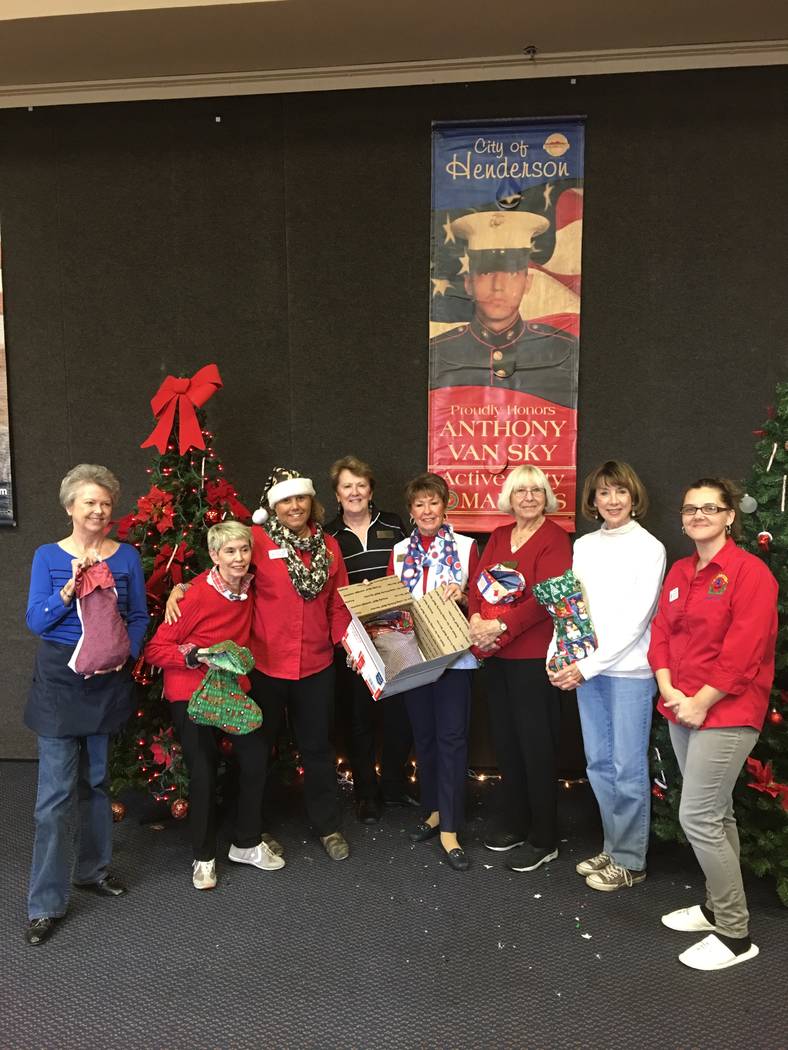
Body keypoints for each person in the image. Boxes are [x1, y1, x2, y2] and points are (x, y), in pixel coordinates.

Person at [168, 467, 351, 861]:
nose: (295, 506)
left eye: (300, 498)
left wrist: (345, 643)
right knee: (257, 753)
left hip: (317, 665)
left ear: (311, 502)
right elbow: (221, 571)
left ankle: (327, 826)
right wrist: (180, 589)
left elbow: (339, 604)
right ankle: (255, 827)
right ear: (273, 507)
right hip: (264, 667)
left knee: (318, 749)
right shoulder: (256, 540)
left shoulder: (330, 547)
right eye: (286, 500)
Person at [649, 478, 777, 971]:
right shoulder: (682, 571)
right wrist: (669, 690)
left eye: (709, 507)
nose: (698, 515)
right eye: (690, 509)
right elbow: (661, 633)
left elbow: (745, 651)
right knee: (717, 815)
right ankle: (714, 908)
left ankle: (735, 935)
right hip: (681, 705)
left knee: (698, 817)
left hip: (726, 710)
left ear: (729, 516)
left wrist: (701, 701)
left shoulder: (750, 573)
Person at [24, 464, 148, 946]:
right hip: (60, 681)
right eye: (89, 502)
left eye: (106, 503)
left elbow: (137, 615)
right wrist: (67, 591)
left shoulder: (127, 557)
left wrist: (123, 653)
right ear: (69, 507)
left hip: (106, 681)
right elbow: (36, 621)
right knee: (53, 798)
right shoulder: (47, 557)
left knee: (96, 784)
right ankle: (45, 904)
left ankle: (92, 872)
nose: (99, 510)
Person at [146, 522, 284, 890]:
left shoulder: (250, 587)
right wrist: (195, 655)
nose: (239, 558)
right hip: (191, 692)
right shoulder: (194, 596)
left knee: (256, 755)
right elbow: (155, 649)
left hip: (231, 690)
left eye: (244, 550)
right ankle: (203, 856)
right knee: (203, 769)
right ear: (214, 556)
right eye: (230, 551)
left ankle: (246, 843)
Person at [549, 461, 666, 891]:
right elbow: (571, 608)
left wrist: (586, 666)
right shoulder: (585, 546)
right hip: (587, 671)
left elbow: (636, 621)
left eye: (620, 491)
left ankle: (631, 861)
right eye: (603, 492)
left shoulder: (649, 547)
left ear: (633, 497)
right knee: (598, 764)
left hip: (629, 672)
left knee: (627, 767)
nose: (612, 500)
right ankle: (614, 847)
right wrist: (557, 656)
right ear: (593, 500)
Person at [467, 465, 571, 873]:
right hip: (496, 657)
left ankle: (544, 838)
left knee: (537, 748)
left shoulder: (555, 538)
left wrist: (500, 628)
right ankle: (516, 823)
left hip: (533, 658)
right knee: (507, 745)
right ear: (509, 498)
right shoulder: (498, 536)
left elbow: (546, 598)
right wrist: (477, 622)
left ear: (547, 496)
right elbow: (478, 587)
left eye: (536, 490)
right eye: (520, 490)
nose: (528, 497)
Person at [388, 472, 479, 871]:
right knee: (423, 737)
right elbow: (390, 603)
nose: (427, 510)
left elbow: (482, 599)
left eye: (434, 502)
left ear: (445, 506)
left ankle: (452, 828)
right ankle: (433, 810)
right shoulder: (398, 551)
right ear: (411, 511)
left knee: (452, 739)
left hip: (455, 657)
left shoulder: (466, 547)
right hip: (413, 656)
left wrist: (464, 595)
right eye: (419, 504)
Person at [324, 455, 414, 824]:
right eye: (347, 486)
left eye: (361, 485)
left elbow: (410, 569)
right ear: (337, 494)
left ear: (371, 490)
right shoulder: (328, 536)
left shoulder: (393, 524)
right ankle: (366, 794)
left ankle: (393, 785)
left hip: (395, 633)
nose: (355, 492)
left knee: (398, 716)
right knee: (358, 719)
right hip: (353, 639)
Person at [429, 210, 577, 400]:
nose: (498, 286)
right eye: (486, 273)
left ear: (527, 283)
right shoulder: (438, 352)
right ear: (468, 284)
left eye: (512, 274)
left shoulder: (564, 349)